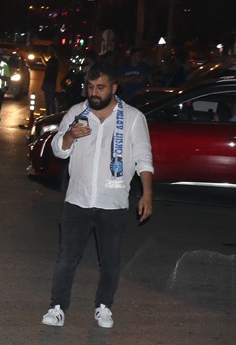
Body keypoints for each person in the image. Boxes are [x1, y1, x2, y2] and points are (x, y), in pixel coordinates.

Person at [41, 62, 154, 330]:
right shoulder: (76, 113)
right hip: (77, 200)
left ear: (115, 87)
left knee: (110, 261)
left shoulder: (134, 117)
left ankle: (103, 307)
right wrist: (69, 136)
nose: (94, 92)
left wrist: (147, 193)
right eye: (90, 87)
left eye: (100, 87)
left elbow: (143, 158)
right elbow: (59, 150)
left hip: (112, 202)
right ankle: (57, 307)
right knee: (67, 257)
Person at [42, 46, 60, 114]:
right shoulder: (55, 60)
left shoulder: (53, 60)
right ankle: (51, 114)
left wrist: (44, 83)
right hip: (52, 82)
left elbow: (48, 71)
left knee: (49, 100)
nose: (48, 51)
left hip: (49, 82)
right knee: (51, 100)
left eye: (50, 49)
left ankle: (49, 115)